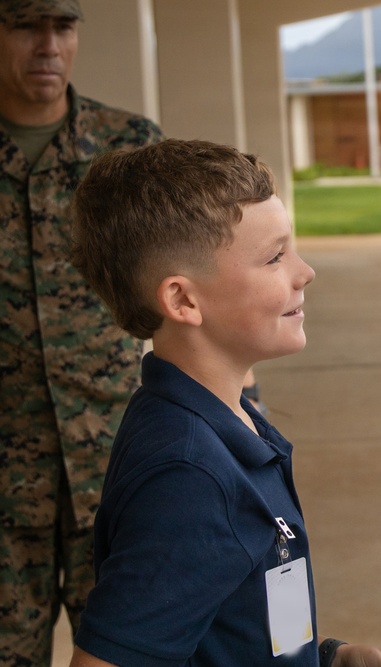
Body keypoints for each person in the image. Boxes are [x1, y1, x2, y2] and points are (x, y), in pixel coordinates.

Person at [67, 139, 381, 667]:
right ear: (184, 300)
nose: (305, 272)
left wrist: (328, 658)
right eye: (274, 256)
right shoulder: (188, 475)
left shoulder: (230, 425)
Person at [0, 1, 162, 663]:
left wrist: (241, 397)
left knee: (131, 651)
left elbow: (187, 285)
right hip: (6, 478)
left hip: (114, 464)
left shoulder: (130, 148)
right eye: (23, 24)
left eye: (63, 27)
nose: (48, 45)